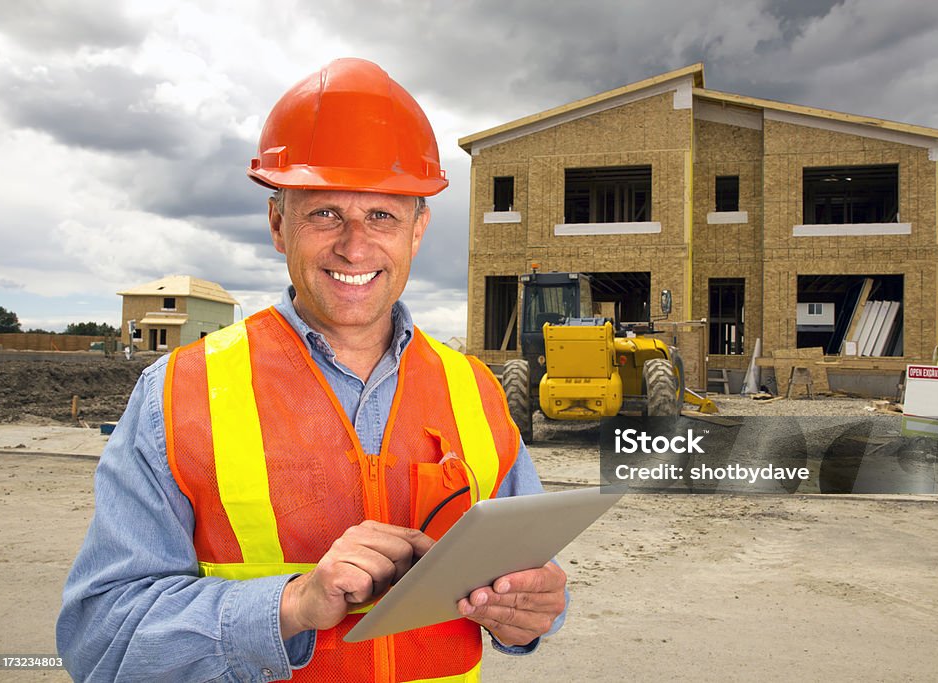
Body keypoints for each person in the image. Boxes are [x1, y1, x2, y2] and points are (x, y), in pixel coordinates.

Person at [57, 58, 566, 682]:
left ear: (418, 230)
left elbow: (524, 580)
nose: (355, 245)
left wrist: (531, 611)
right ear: (278, 224)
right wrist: (291, 604)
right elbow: (100, 643)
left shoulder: (476, 391)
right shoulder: (181, 393)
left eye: (381, 215)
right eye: (325, 213)